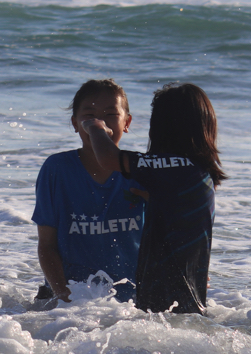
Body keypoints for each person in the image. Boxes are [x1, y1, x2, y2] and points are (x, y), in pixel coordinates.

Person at [83, 83, 226, 314]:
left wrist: (95, 127)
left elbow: (109, 158)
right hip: (190, 299)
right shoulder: (199, 172)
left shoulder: (168, 165)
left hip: (164, 301)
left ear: (161, 126)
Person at [32, 79, 144, 305]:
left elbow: (167, 235)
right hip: (70, 297)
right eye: (90, 116)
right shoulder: (57, 169)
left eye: (111, 114)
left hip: (131, 303)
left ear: (127, 122)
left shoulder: (141, 169)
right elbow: (46, 245)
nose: (100, 123)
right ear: (75, 123)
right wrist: (64, 298)